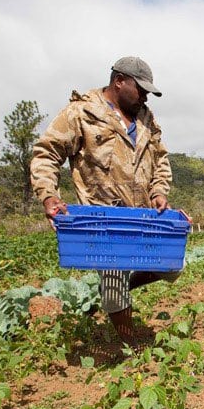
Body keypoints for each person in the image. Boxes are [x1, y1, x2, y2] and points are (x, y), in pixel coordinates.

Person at [30, 56, 179, 345]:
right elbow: (46, 153)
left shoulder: (146, 118)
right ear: (119, 81)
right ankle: (130, 346)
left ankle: (120, 287)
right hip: (103, 217)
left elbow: (161, 160)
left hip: (142, 216)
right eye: (141, 89)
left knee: (172, 266)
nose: (146, 96)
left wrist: (159, 191)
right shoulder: (81, 113)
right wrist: (49, 195)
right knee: (113, 281)